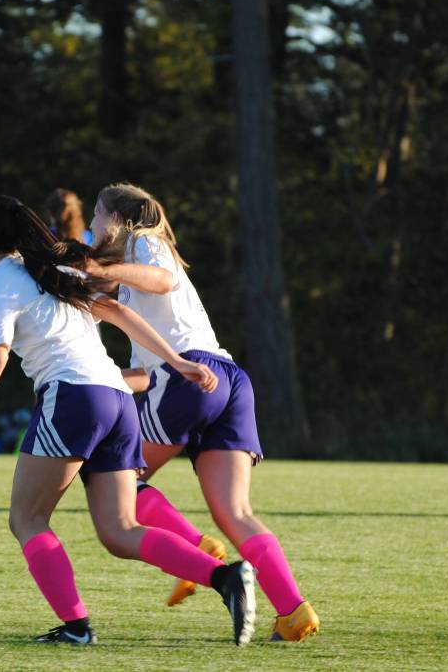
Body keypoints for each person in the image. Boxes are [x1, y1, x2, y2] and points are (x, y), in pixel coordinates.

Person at [0, 195, 258, 646]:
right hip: (117, 399)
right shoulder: (56, 271)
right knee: (119, 531)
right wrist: (177, 362)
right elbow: (120, 312)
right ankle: (225, 577)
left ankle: (76, 627)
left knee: (26, 519)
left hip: (73, 398)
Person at [85, 182, 320, 642]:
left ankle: (198, 550)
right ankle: (293, 612)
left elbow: (163, 280)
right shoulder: (133, 275)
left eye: (96, 214)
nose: (92, 225)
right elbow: (148, 370)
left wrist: (105, 266)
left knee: (107, 474)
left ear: (117, 219)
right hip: (226, 380)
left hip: (192, 380)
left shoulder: (144, 242)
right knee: (236, 511)